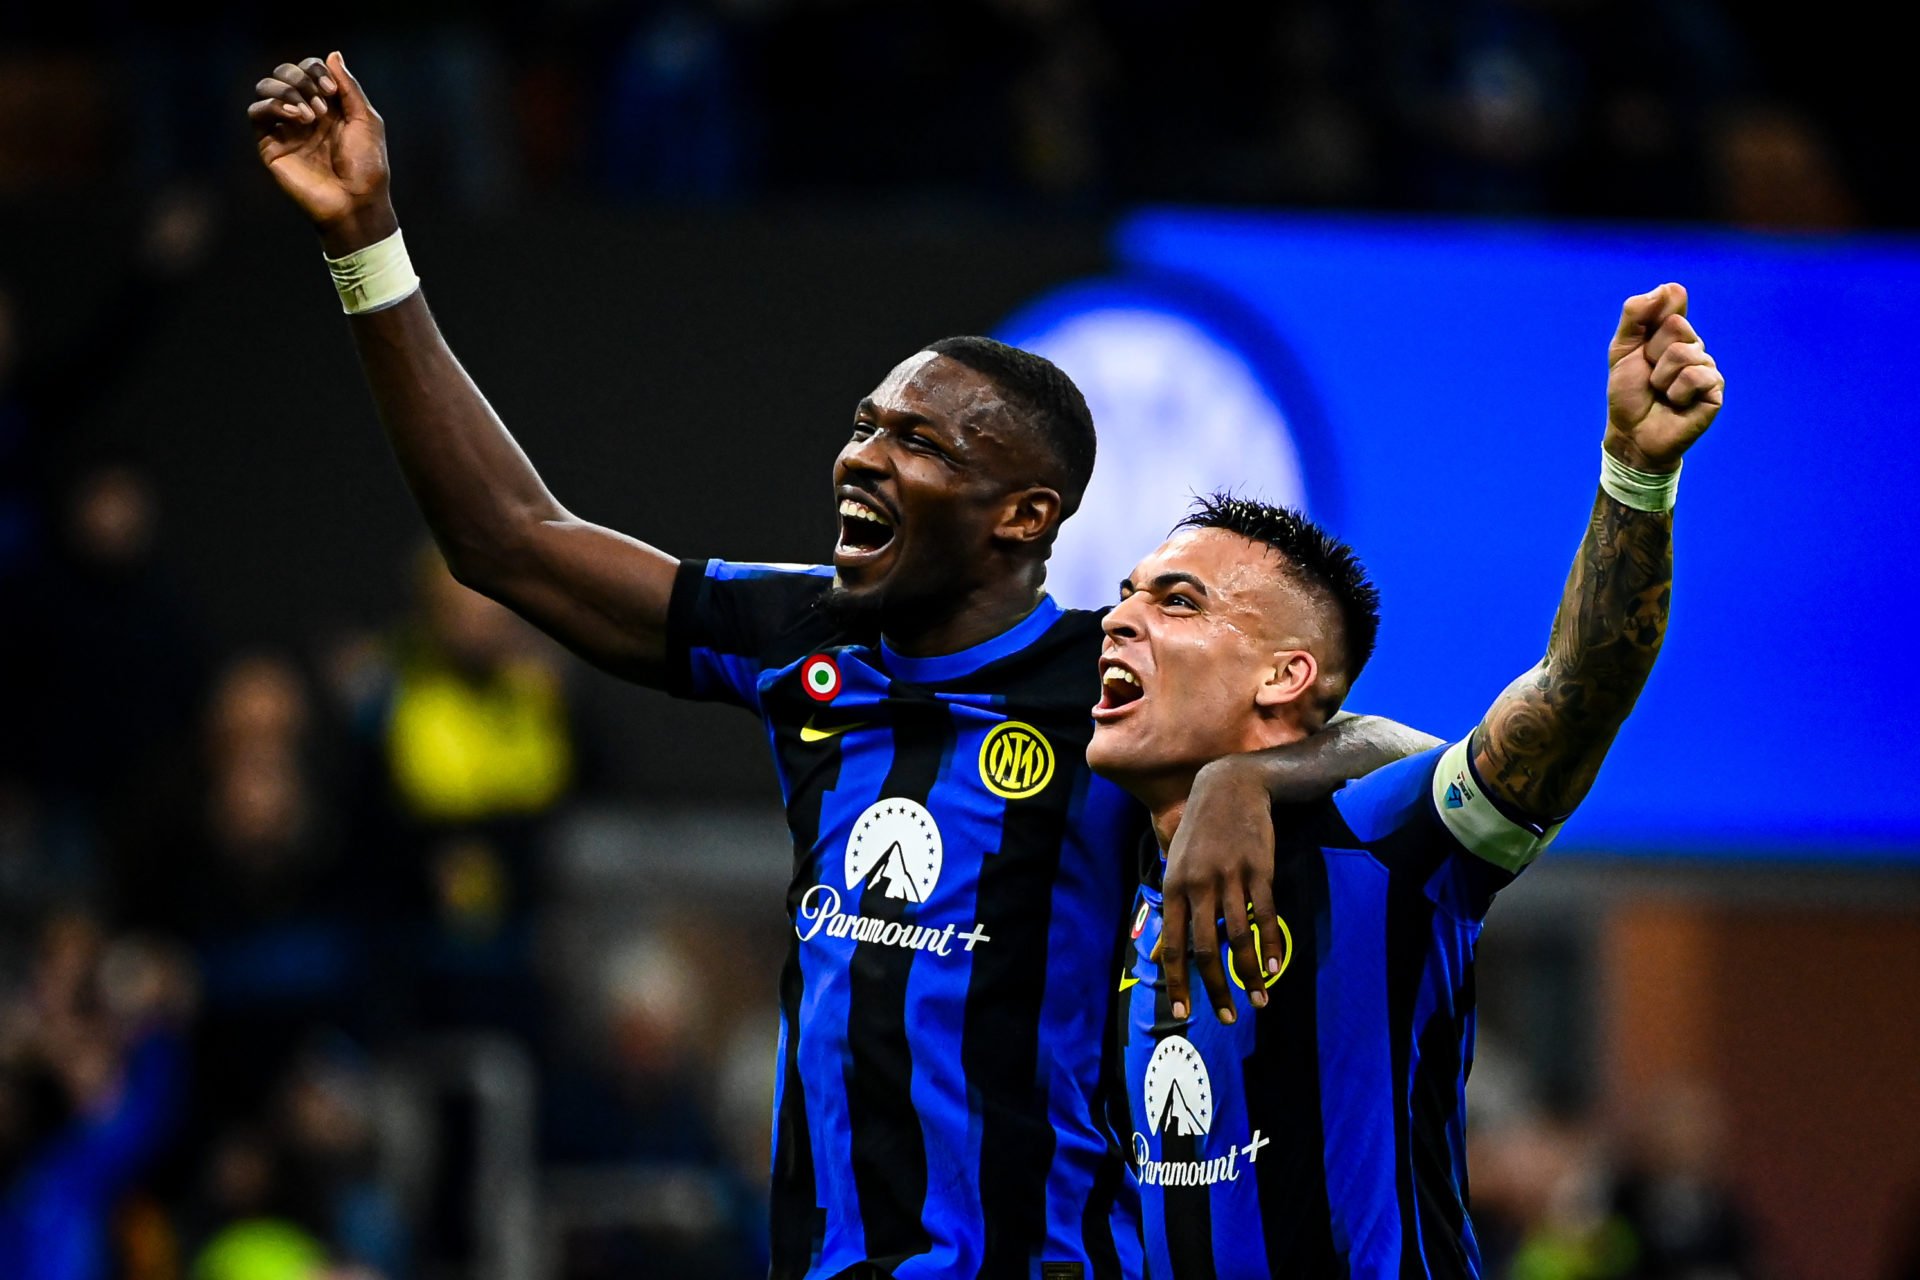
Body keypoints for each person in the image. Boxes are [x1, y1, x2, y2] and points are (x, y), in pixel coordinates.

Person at [245, 52, 1430, 1279]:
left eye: (917, 441)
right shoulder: (802, 637)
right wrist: (365, 240)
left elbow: (1401, 750)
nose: (862, 457)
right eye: (865, 424)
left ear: (1023, 516)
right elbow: (509, 539)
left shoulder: (1109, 683)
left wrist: (1250, 783)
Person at [1091, 285, 1723, 1277]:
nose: (1120, 619)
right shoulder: (1107, 862)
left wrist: (1638, 478)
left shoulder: (1373, 840)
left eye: (1177, 600)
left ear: (1287, 676)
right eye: (1125, 595)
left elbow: (1573, 695)